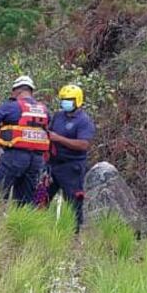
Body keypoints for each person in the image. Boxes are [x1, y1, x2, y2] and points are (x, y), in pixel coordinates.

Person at [0, 75, 51, 206]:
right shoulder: (44, 110)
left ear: (17, 91)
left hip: (14, 157)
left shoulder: (11, 106)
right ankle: (21, 224)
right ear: (31, 91)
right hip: (36, 161)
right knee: (25, 200)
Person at [46, 84, 96, 231]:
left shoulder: (83, 121)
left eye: (68, 100)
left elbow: (83, 145)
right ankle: (37, 225)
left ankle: (73, 234)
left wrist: (58, 139)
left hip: (72, 167)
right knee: (41, 198)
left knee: (73, 202)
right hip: (53, 164)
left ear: (77, 101)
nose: (65, 103)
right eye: (63, 100)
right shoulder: (58, 116)